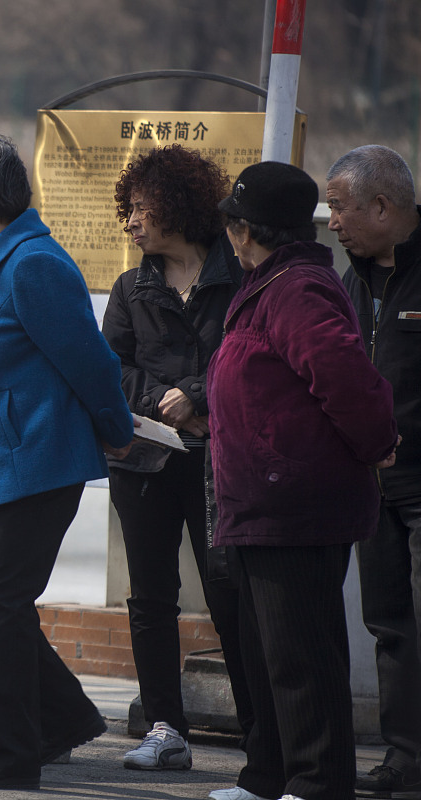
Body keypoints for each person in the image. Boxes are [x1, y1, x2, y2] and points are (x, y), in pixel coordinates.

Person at [0, 132, 135, 790]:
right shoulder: (1, 257)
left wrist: (115, 428)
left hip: (38, 462)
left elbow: (91, 361)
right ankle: (65, 716)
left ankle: (11, 753)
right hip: (0, 464)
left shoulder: (32, 265)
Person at [207, 161, 398, 800]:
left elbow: (348, 379)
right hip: (260, 503)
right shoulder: (270, 283)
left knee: (302, 661)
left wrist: (379, 445)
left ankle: (318, 784)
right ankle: (268, 777)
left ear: (242, 230)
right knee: (265, 658)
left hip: (296, 505)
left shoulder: (296, 289)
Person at [102, 145, 253, 773]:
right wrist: (160, 401)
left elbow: (244, 352)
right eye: (129, 210)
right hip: (144, 459)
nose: (132, 222)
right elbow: (110, 367)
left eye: (143, 208)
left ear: (180, 206)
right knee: (151, 596)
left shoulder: (239, 278)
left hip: (220, 458)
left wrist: (192, 396)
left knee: (229, 590)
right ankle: (166, 726)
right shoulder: (130, 285)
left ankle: (261, 726)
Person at [326, 144, 421, 800]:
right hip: (373, 487)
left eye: (339, 207)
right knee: (389, 625)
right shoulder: (350, 277)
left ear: (382, 206)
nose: (331, 221)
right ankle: (405, 757)